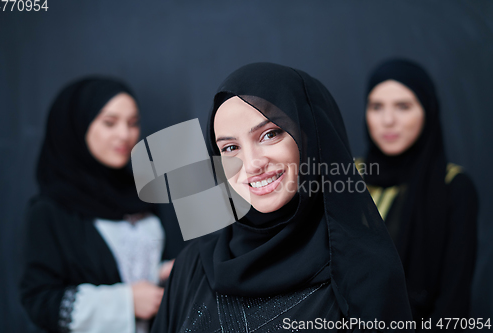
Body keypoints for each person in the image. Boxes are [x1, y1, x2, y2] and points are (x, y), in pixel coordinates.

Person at [152, 62, 413, 332]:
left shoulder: (366, 274)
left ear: (309, 137)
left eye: (269, 134)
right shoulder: (192, 267)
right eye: (230, 147)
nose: (252, 164)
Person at [20, 77, 180, 333]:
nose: (125, 135)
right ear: (78, 125)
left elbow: (134, 265)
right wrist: (125, 302)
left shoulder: (142, 194)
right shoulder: (50, 210)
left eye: (133, 123)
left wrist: (165, 272)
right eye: (109, 122)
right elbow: (39, 301)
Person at [358, 59, 478, 327]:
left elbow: (454, 303)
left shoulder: (454, 186)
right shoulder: (348, 175)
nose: (388, 120)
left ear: (427, 110)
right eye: (377, 107)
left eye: (403, 106)